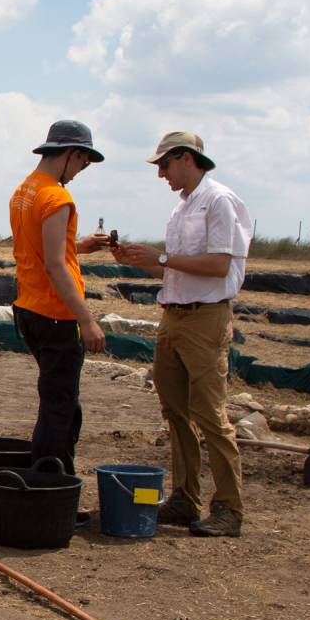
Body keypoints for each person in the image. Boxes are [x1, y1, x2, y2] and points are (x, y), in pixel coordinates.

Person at [114, 132, 252, 538]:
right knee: (175, 411)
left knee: (209, 414)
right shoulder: (182, 209)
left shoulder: (219, 201)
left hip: (205, 318)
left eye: (165, 165)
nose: (160, 174)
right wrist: (140, 261)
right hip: (174, 315)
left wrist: (159, 257)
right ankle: (185, 498)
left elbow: (217, 266)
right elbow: (174, 268)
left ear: (187, 159)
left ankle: (228, 508)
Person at [10, 119, 112, 473]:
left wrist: (79, 247)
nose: (81, 171)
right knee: (58, 408)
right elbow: (55, 266)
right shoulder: (57, 197)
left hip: (29, 309)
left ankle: (53, 480)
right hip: (58, 317)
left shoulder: (25, 191)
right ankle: (50, 486)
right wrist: (87, 319)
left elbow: (40, 251)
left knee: (61, 403)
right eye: (83, 163)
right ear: (73, 154)